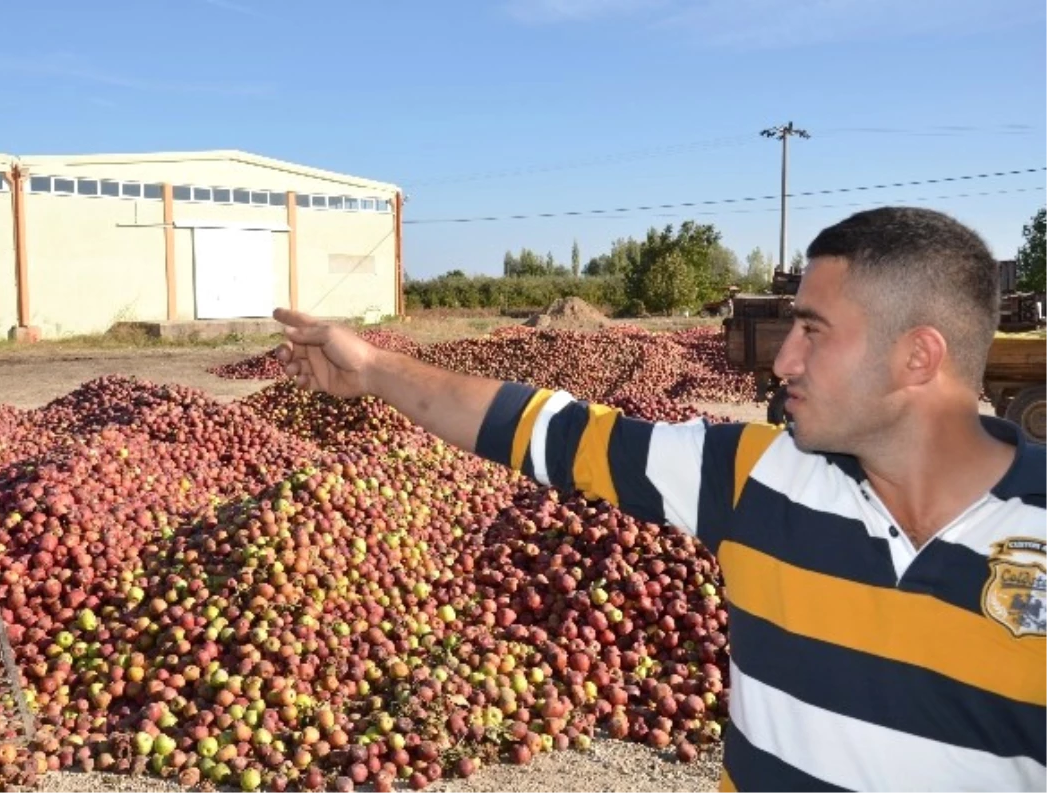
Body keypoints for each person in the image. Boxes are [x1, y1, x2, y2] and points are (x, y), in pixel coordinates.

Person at [273, 207, 1047, 793]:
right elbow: (545, 429)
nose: (782, 358)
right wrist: (372, 366)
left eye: (813, 330)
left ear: (919, 356)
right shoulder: (752, 476)